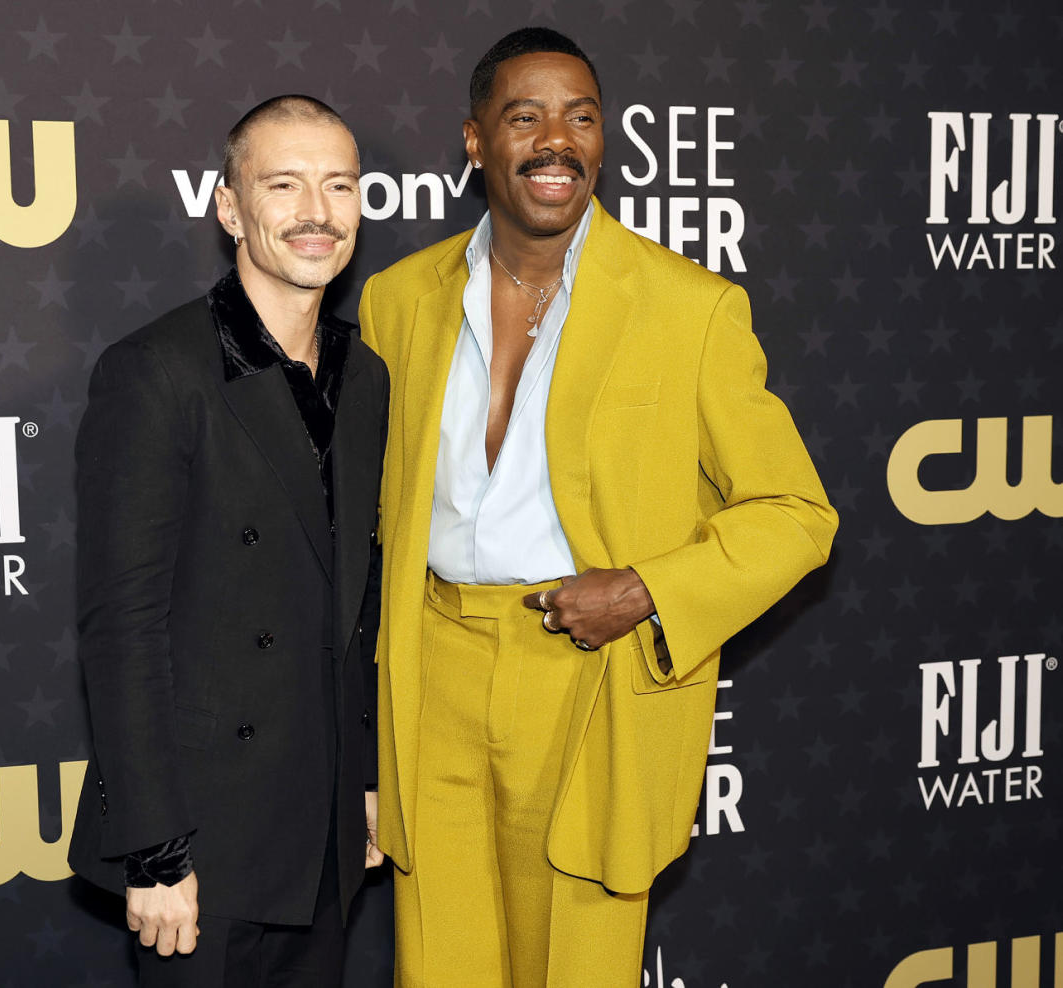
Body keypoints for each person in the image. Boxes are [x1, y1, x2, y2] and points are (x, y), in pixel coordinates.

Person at [358, 28, 838, 987]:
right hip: (433, 671)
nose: (558, 140)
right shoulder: (395, 300)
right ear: (474, 140)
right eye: (525, 116)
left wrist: (651, 589)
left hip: (589, 677)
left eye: (581, 117)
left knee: (574, 964)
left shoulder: (685, 306)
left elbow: (796, 511)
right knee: (439, 965)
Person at [68, 95, 388, 988]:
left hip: (321, 837)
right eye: (282, 184)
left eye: (339, 185)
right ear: (229, 207)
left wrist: (361, 780)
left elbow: (353, 605)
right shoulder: (158, 372)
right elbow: (120, 628)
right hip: (202, 841)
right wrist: (156, 850)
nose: (316, 213)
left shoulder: (366, 380)